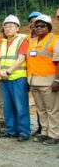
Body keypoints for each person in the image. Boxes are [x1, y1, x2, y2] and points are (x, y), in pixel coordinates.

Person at [0, 15, 31, 141]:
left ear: (17, 28)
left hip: (17, 78)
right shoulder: (3, 42)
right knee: (8, 106)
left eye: (11, 26)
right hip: (4, 79)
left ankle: (24, 132)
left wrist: (9, 72)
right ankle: (11, 130)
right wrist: (0, 71)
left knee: (21, 106)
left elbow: (21, 58)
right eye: (6, 26)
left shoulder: (22, 40)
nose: (8, 28)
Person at [27, 15, 59, 145]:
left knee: (52, 109)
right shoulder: (32, 42)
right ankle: (44, 132)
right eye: (37, 26)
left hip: (49, 81)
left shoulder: (55, 40)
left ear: (49, 27)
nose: (39, 28)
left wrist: (57, 80)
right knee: (41, 109)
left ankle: (54, 134)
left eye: (42, 26)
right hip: (34, 80)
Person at [27, 11, 43, 136]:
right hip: (31, 77)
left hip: (46, 77)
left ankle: (50, 130)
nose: (35, 25)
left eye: (38, 23)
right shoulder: (27, 40)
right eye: (32, 23)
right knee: (39, 105)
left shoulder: (50, 39)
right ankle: (40, 127)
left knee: (50, 107)